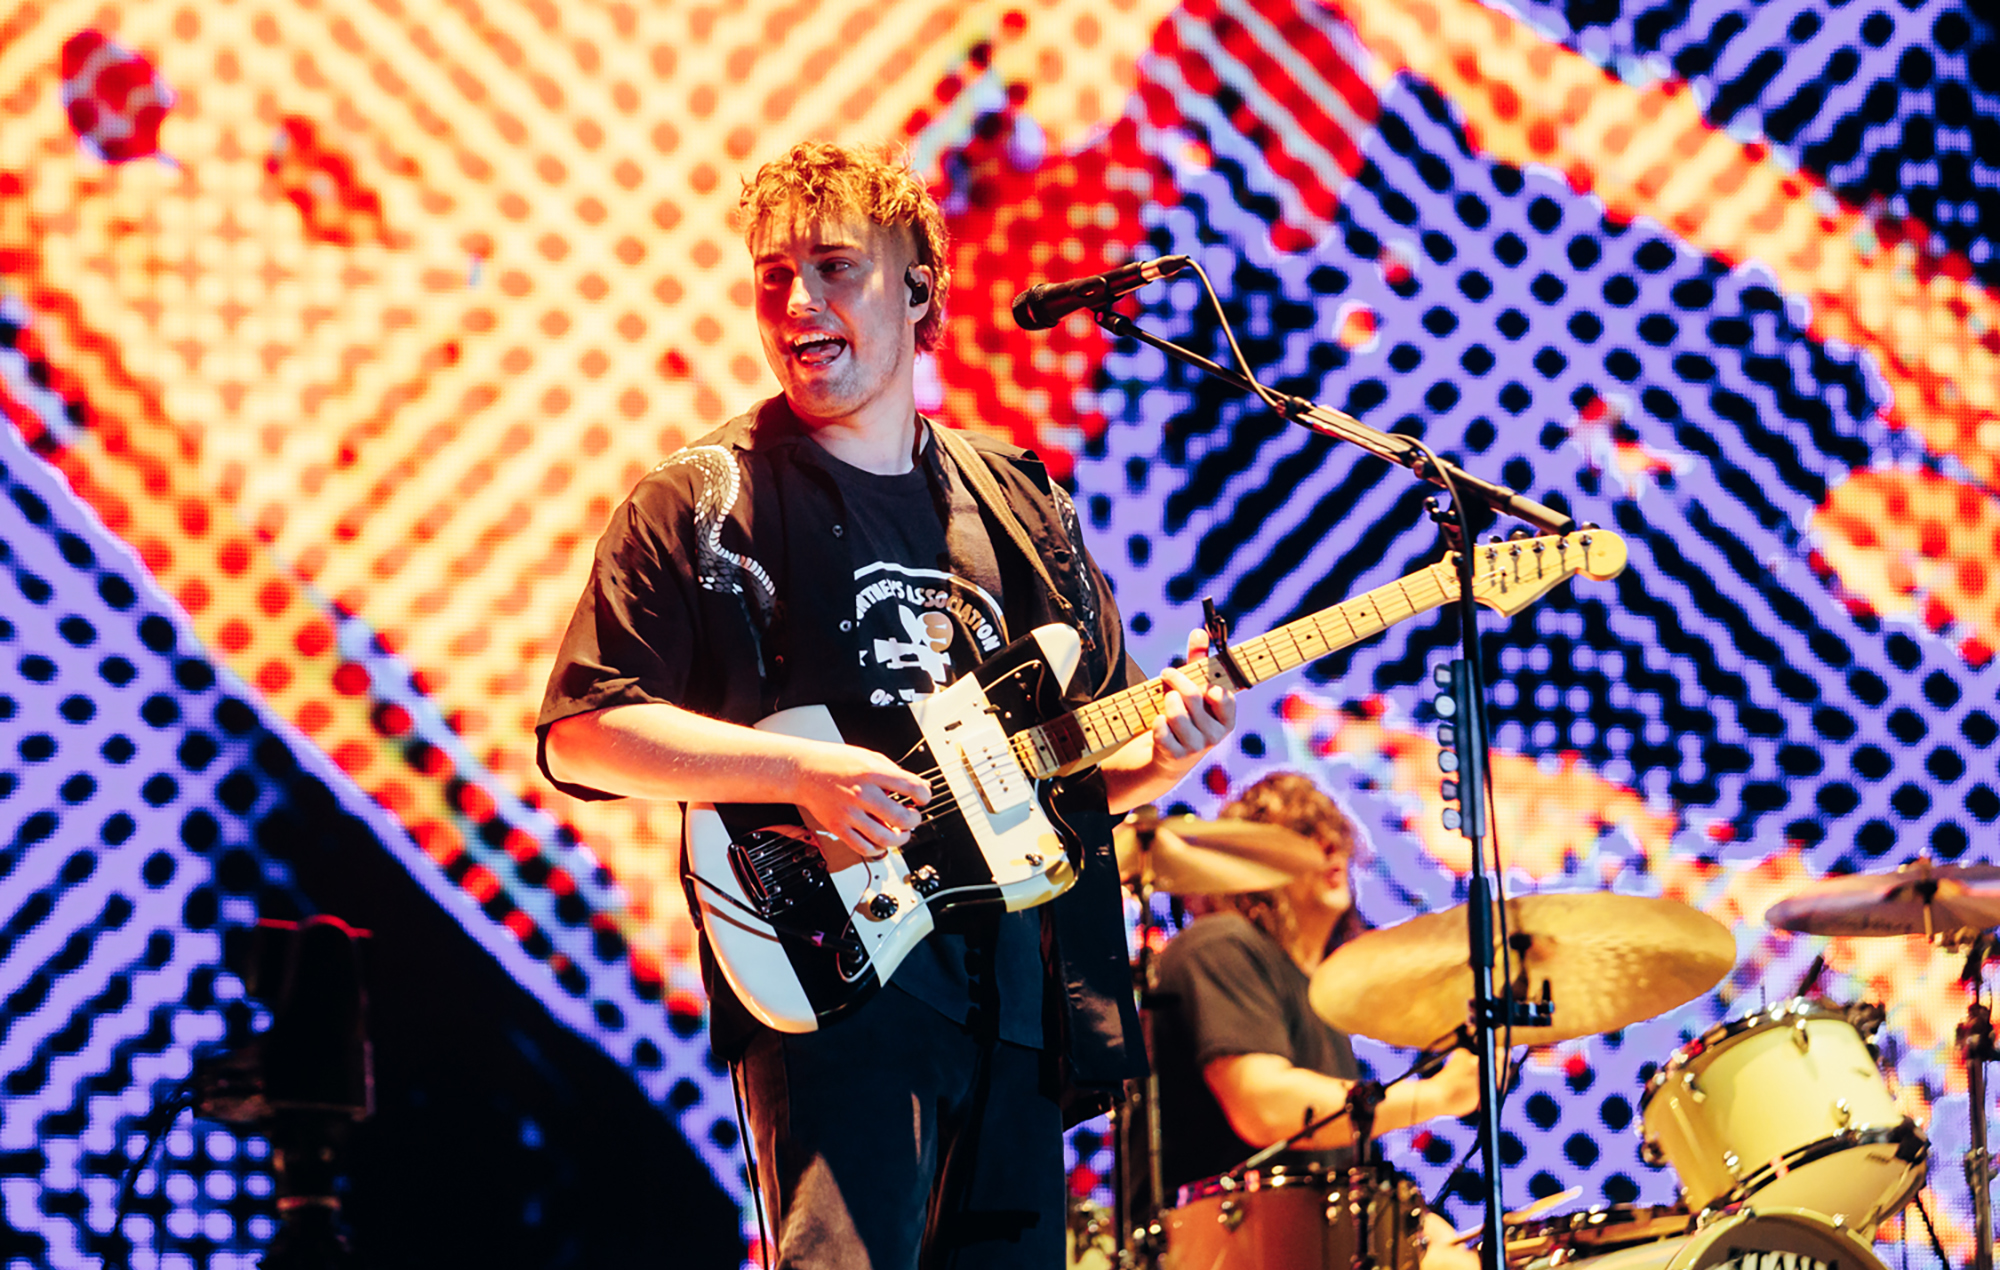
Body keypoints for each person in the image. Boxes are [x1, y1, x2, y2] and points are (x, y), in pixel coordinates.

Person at [535, 141, 1236, 1269]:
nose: (797, 300)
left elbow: (1076, 769)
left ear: (919, 290)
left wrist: (1162, 758)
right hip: (837, 989)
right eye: (772, 274)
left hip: (1015, 999)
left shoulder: (1017, 505)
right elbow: (582, 730)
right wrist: (794, 775)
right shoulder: (700, 501)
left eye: (833, 267)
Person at [1150, 772, 1481, 1267]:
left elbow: (1333, 1164)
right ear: (1251, 859)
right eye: (1304, 834)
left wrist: (1414, 1222)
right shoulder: (1219, 944)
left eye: (1334, 835)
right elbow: (1266, 1107)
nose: (1330, 848)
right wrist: (1439, 1095)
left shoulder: (1318, 996)